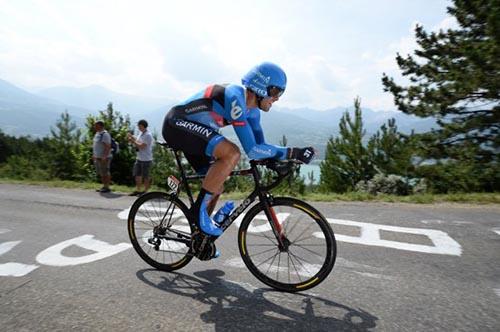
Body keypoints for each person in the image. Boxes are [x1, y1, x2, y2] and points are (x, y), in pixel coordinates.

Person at [162, 62, 315, 240]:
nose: (277, 98)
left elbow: (261, 145)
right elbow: (252, 150)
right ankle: (199, 214)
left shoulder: (253, 113)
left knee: (216, 186)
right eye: (275, 92)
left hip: (195, 133)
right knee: (232, 153)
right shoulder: (235, 96)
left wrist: (275, 160)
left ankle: (199, 237)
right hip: (176, 124)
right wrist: (293, 152)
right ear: (260, 86)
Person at [128, 119, 154, 196]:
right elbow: (138, 141)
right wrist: (133, 138)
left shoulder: (148, 135)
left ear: (143, 126)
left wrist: (133, 141)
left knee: (146, 176)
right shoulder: (141, 133)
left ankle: (146, 192)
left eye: (139, 126)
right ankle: (138, 190)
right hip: (139, 157)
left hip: (146, 159)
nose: (138, 127)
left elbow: (142, 146)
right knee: (137, 175)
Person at [92, 120, 112, 193]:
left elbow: (108, 146)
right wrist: (94, 155)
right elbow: (95, 145)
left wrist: (104, 156)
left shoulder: (105, 134)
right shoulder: (97, 133)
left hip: (104, 157)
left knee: (105, 172)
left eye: (96, 125)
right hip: (98, 157)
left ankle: (107, 187)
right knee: (101, 172)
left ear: (100, 126)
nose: (94, 127)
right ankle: (104, 186)